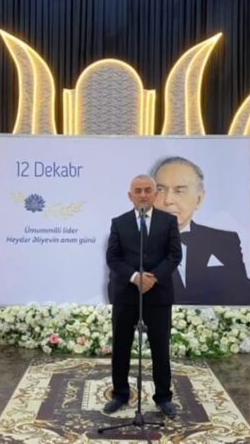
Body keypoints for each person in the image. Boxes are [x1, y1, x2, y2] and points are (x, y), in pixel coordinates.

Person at [104, 175, 182, 417]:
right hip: (126, 294)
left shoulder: (169, 221)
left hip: (158, 294)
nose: (143, 195)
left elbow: (174, 255)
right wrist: (134, 277)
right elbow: (112, 258)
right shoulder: (119, 223)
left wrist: (152, 278)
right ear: (130, 196)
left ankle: (163, 397)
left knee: (160, 347)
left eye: (148, 190)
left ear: (155, 194)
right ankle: (120, 394)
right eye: (138, 191)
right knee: (121, 346)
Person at [152, 157, 250, 305]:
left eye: (179, 191)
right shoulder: (131, 242)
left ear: (198, 199)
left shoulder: (224, 241)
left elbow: (241, 293)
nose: (168, 200)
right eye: (160, 190)